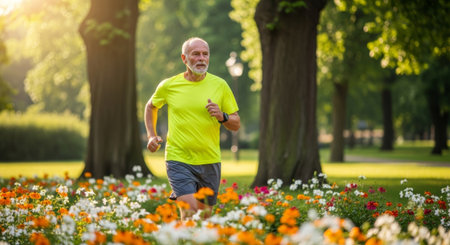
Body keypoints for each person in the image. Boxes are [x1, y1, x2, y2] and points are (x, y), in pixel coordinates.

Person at [144, 37, 240, 220]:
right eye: (196, 54)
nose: (201, 58)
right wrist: (151, 135)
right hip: (178, 158)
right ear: (184, 58)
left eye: (205, 54)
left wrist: (222, 116)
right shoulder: (169, 85)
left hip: (210, 160)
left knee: (204, 219)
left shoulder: (220, 85)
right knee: (190, 213)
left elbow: (236, 124)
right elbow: (151, 106)